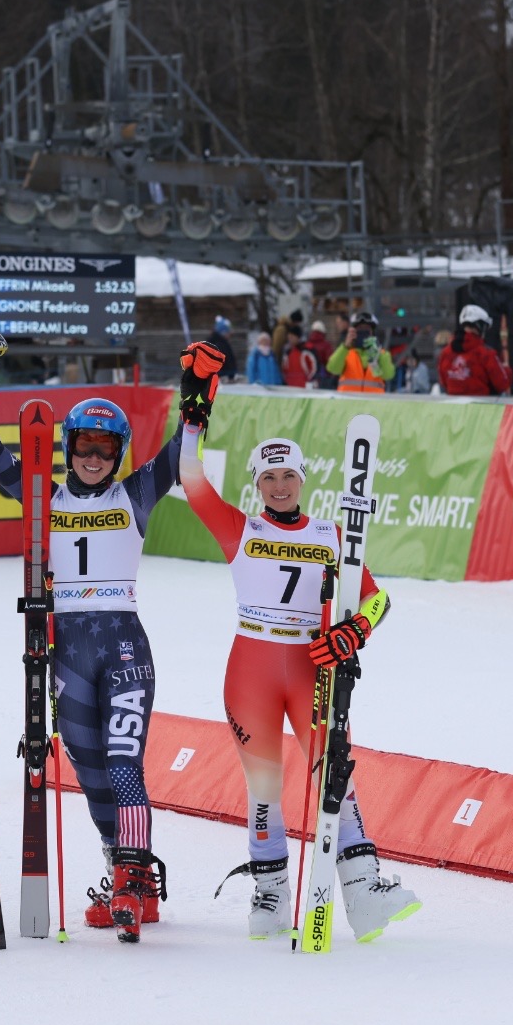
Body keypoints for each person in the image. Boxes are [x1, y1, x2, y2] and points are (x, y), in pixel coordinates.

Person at [174, 362, 420, 943]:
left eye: (288, 476)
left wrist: (354, 632)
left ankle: (363, 895)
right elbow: (192, 479)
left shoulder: (331, 535)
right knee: (262, 787)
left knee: (337, 776)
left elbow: (378, 601)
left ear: (302, 479)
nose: (279, 486)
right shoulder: (240, 530)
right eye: (269, 478)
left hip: (314, 671)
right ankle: (269, 897)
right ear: (256, 485)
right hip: (252, 669)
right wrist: (194, 420)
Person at [0, 321, 185, 942]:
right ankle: (121, 870)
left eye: (105, 448)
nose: (92, 457)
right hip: (65, 650)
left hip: (122, 646)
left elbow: (179, 454)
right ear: (66, 448)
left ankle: (137, 880)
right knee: (87, 768)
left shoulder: (137, 492)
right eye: (83, 445)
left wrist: (197, 394)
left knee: (124, 764)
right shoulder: (41, 494)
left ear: (118, 454)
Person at [436, 305, 510, 397]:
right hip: (482, 408)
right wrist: (506, 369)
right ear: (479, 326)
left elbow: (443, 382)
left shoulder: (446, 352)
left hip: (453, 407)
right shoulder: (486, 353)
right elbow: (502, 384)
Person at [326, 310, 395, 393]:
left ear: (373, 333)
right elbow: (333, 368)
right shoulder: (346, 352)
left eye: (366, 329)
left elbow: (388, 375)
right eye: (359, 329)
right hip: (349, 404)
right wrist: (345, 346)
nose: (363, 332)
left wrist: (378, 352)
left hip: (373, 404)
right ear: (354, 332)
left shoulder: (381, 354)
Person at [281, 324, 319, 388]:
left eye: (292, 337)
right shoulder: (287, 352)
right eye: (289, 337)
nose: (290, 339)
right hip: (290, 386)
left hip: (305, 386)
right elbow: (284, 370)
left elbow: (315, 368)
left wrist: (310, 381)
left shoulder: (307, 350)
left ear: (298, 337)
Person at [305, 319, 335, 389]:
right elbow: (330, 361)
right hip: (324, 377)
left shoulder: (307, 344)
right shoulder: (326, 345)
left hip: (309, 378)